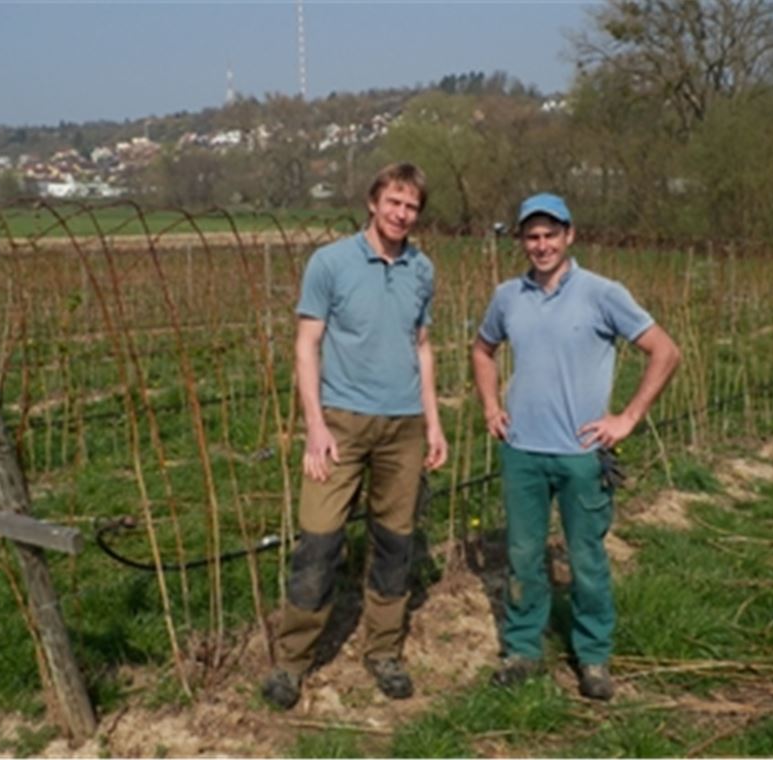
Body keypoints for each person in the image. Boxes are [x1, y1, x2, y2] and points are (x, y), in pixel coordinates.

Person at [471, 192, 680, 700]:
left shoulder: (603, 294)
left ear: (569, 236)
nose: (541, 245)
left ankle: (593, 657)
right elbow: (483, 348)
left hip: (581, 454)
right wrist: (490, 405)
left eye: (550, 235)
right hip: (522, 450)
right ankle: (523, 649)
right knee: (524, 555)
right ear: (522, 240)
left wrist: (628, 417)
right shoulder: (507, 296)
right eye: (532, 236)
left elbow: (665, 351)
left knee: (585, 557)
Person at [261, 163, 448, 710]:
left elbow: (423, 347)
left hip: (404, 426)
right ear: (373, 202)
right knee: (319, 540)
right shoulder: (331, 263)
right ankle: (294, 661)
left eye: (411, 206)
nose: (401, 214)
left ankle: (383, 650)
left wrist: (433, 422)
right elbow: (306, 346)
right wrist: (314, 425)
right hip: (340, 422)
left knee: (395, 541)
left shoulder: (422, 268)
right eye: (393, 202)